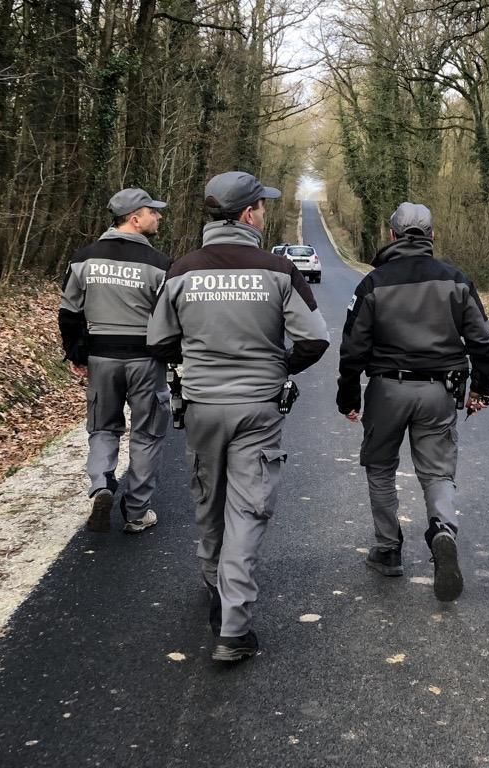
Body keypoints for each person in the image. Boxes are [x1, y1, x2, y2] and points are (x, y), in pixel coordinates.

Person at [147, 171, 329, 662]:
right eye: (263, 207)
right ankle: (234, 626)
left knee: (209, 500)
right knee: (247, 509)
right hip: (257, 408)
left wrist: (197, 361)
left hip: (203, 406)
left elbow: (159, 342)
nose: (264, 214)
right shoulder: (277, 270)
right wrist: (278, 366)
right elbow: (314, 339)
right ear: (249, 214)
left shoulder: (182, 269)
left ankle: (214, 584)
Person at [337, 202, 489, 602]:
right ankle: (442, 529)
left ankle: (388, 549)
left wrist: (348, 394)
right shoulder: (456, 280)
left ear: (391, 236)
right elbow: (482, 340)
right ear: (431, 236)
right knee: (438, 472)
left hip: (387, 389)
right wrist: (481, 388)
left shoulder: (373, 284)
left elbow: (353, 347)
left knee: (379, 467)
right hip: (439, 391)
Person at [59, 188, 172, 534]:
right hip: (145, 360)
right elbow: (171, 318)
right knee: (147, 433)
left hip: (102, 358)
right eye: (153, 212)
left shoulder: (84, 258)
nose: (159, 217)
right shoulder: (160, 265)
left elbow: (68, 312)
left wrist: (77, 354)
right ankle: (137, 512)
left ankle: (102, 484)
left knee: (103, 427)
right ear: (135, 218)